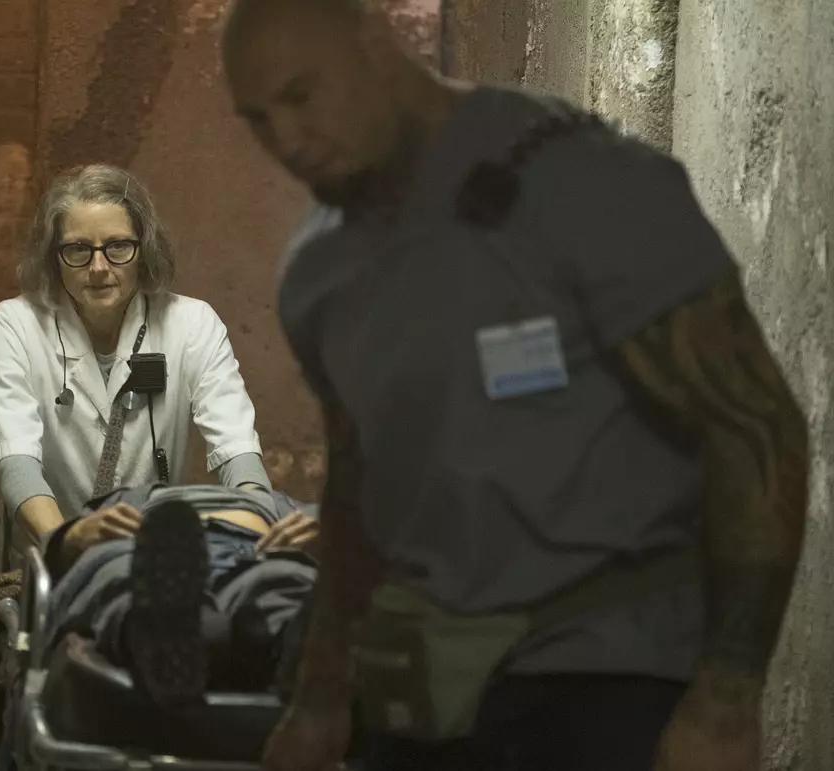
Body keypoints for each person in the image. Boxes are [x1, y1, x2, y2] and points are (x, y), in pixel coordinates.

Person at [219, 2, 810, 771]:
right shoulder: (318, 275)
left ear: (375, 43)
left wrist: (727, 701)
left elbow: (753, 426)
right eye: (259, 120)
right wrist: (321, 695)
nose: (288, 139)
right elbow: (359, 484)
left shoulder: (583, 182)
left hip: (607, 686)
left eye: (302, 95)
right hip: (427, 694)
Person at [0, 163, 271, 671]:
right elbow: (16, 460)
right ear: (54, 256)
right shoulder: (15, 323)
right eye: (77, 250)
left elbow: (236, 446)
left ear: (143, 247)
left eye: (117, 247)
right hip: (38, 555)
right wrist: (68, 543)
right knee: (20, 695)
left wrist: (260, 521)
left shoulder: (192, 324)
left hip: (144, 561)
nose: (99, 267)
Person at [41, 483, 321, 707]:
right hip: (146, 544)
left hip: (263, 549)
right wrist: (72, 536)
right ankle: (225, 636)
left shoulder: (286, 504)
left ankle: (203, 634)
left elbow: (339, 544)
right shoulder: (124, 498)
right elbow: (53, 554)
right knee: (135, 575)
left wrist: (327, 544)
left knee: (285, 579)